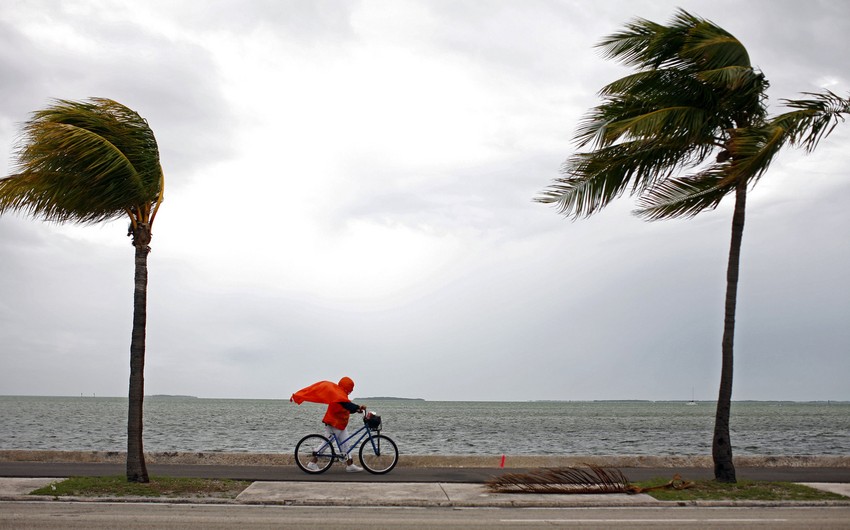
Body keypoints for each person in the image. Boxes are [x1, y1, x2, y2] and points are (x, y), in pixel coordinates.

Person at [291, 376, 366, 472]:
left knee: (345, 444)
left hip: (339, 424)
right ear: (347, 387)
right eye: (351, 388)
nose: (351, 391)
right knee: (327, 443)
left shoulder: (340, 394)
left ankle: (350, 465)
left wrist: (356, 410)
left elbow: (345, 407)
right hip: (334, 423)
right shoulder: (339, 394)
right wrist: (357, 407)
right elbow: (346, 405)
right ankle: (312, 463)